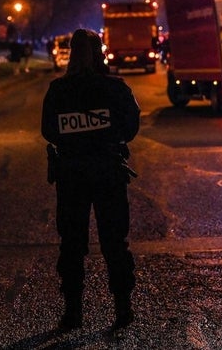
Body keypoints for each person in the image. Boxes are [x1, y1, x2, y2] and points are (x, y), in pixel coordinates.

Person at [41, 28, 140, 332]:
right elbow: (131, 127)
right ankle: (123, 310)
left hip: (71, 175)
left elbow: (49, 130)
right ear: (99, 53)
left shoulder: (58, 90)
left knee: (72, 244)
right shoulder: (116, 89)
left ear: (71, 53)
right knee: (114, 243)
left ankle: (73, 314)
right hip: (108, 171)